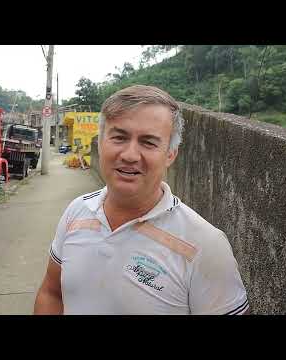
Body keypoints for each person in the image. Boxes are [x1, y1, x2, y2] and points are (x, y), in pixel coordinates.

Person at [34, 85, 249, 315]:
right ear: (100, 143)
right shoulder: (76, 212)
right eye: (119, 137)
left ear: (170, 154)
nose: (129, 155)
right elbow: (51, 293)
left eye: (148, 142)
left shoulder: (204, 245)